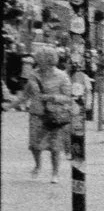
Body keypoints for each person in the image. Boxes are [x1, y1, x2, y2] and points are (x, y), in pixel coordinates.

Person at [24, 48, 78, 180]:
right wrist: (13, 104)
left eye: (40, 60)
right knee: (35, 145)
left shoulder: (61, 76)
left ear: (49, 62)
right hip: (37, 114)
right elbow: (27, 93)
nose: (38, 63)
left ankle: (55, 173)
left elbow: (69, 97)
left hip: (55, 114)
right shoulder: (33, 74)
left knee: (55, 146)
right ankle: (38, 165)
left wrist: (52, 98)